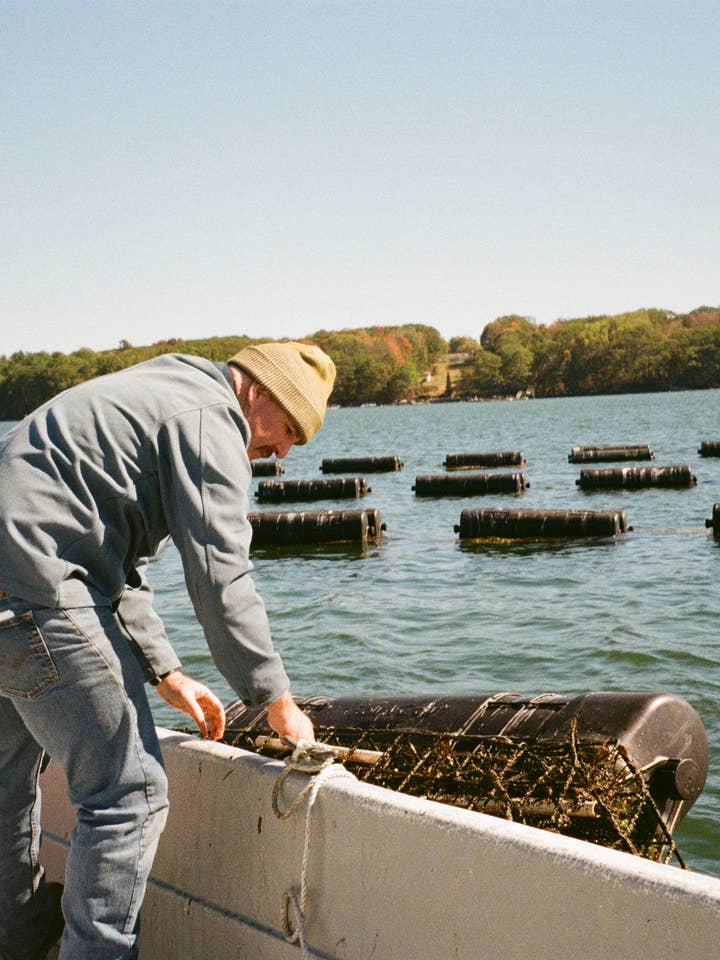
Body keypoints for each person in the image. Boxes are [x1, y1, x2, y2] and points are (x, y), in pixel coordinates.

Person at [0, 340, 336, 959]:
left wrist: (166, 672)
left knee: (7, 781)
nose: (284, 451)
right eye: (288, 428)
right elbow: (221, 577)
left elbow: (113, 559)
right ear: (259, 390)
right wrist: (276, 699)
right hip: (38, 587)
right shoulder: (213, 419)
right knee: (130, 796)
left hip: (16, 580)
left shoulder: (165, 389)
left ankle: (16, 941)